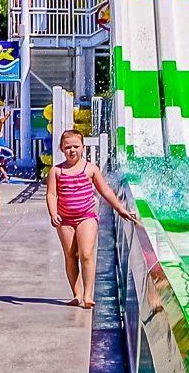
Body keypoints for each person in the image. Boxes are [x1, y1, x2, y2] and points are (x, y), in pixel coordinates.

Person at [47, 129, 137, 309]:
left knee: (86, 253)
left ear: (83, 147)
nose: (72, 150)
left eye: (76, 146)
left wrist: (120, 209)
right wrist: (53, 213)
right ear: (61, 148)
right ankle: (77, 294)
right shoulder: (56, 171)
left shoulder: (90, 169)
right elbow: (51, 194)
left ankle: (88, 294)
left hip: (86, 217)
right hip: (64, 219)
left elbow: (105, 191)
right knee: (70, 255)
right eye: (67, 147)